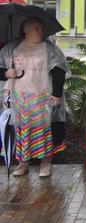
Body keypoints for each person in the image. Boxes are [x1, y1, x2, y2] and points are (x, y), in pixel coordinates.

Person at [0, 17, 69, 177]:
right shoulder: (12, 48)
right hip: (19, 99)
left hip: (42, 98)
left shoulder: (49, 48)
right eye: (37, 28)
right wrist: (5, 73)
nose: (41, 31)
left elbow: (59, 70)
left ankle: (45, 164)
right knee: (22, 131)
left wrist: (56, 94)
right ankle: (23, 163)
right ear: (27, 31)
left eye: (41, 28)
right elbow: (1, 67)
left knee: (43, 131)